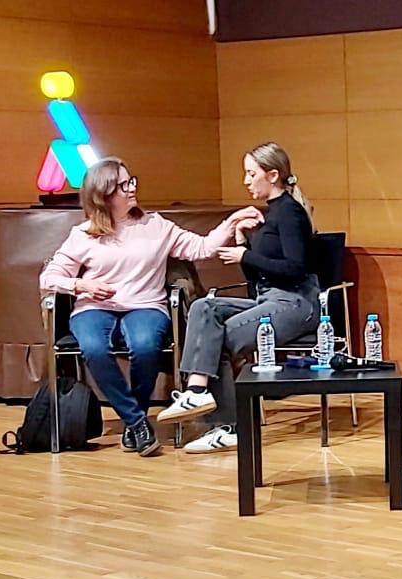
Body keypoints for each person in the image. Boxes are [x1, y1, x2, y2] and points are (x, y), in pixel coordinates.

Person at [39, 157, 261, 457]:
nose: (133, 189)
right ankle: (137, 422)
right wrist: (82, 285)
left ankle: (136, 419)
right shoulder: (84, 234)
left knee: (145, 347)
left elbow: (202, 248)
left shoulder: (155, 225)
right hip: (94, 306)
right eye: (124, 185)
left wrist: (231, 223)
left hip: (145, 304)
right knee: (93, 348)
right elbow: (49, 278)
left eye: (132, 181)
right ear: (104, 194)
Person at [157, 142, 321, 454]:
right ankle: (196, 391)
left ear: (272, 175)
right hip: (269, 298)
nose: (246, 181)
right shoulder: (270, 214)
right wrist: (243, 241)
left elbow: (296, 269)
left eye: (251, 174)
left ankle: (228, 428)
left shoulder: (289, 213)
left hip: (295, 303)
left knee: (217, 339)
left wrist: (246, 255)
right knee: (204, 307)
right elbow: (258, 278)